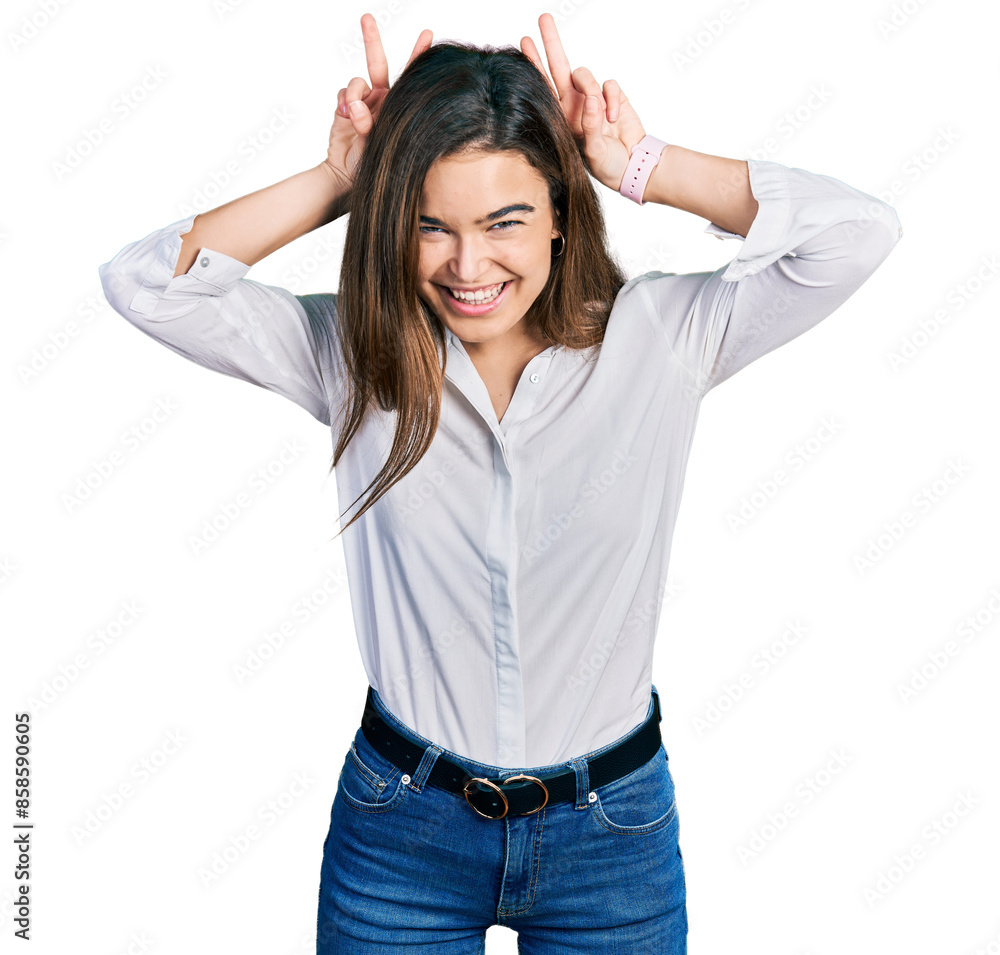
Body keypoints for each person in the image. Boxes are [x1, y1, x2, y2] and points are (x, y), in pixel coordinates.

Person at [98, 11, 902, 953]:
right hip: (401, 832)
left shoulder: (663, 339)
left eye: (504, 222)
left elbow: (857, 233)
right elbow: (145, 283)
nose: (468, 266)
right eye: (431, 225)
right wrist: (341, 182)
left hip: (612, 839)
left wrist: (642, 164)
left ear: (562, 212)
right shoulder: (356, 353)